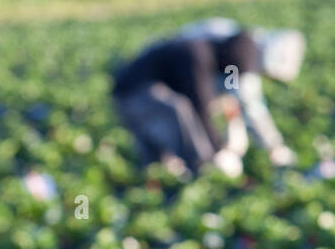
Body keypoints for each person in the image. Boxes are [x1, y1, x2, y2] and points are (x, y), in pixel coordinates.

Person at [113, 19, 305, 178]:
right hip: (136, 92)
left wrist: (237, 130)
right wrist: (217, 153)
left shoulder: (226, 47)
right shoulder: (199, 57)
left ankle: (157, 179)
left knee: (160, 161)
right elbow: (202, 106)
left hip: (132, 89)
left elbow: (234, 96)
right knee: (180, 117)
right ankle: (197, 176)